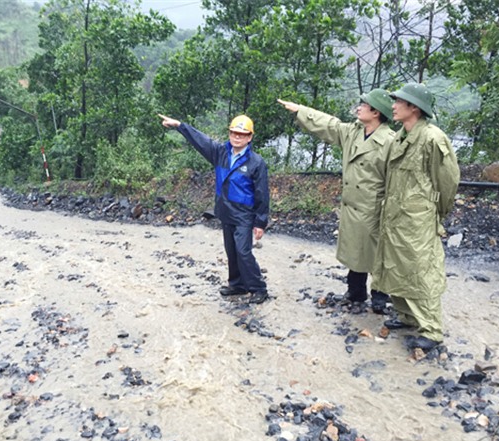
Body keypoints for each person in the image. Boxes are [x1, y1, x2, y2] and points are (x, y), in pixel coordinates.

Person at [277, 89, 395, 313]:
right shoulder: (353, 132)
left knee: (379, 253)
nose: (359, 107)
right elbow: (328, 124)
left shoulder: (390, 141)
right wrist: (301, 110)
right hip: (352, 206)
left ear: (376, 112)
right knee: (355, 250)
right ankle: (356, 291)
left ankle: (380, 295)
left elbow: (397, 180)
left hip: (375, 208)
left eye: (364, 104)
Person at [371, 83, 460, 351]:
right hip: (395, 216)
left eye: (399, 102)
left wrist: (436, 213)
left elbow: (448, 182)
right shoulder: (400, 136)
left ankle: (432, 330)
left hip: (417, 218)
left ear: (414, 108)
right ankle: (407, 316)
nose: (394, 106)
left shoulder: (433, 138)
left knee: (421, 270)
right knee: (395, 265)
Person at [158, 113, 270, 304]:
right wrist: (180, 125)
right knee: (231, 250)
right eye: (234, 133)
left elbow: (262, 193)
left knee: (243, 251)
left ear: (249, 137)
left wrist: (260, 222)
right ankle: (237, 285)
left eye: (242, 134)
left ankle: (258, 287)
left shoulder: (256, 162)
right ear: (229, 134)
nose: (237, 137)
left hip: (244, 215)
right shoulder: (220, 153)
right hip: (225, 211)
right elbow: (200, 140)